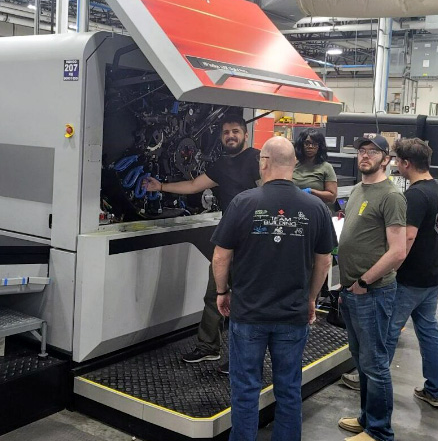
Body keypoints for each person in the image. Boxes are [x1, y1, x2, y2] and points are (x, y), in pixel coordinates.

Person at [211, 136, 335, 441]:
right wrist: (311, 299)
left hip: (249, 313)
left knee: (245, 389)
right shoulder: (315, 207)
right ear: (293, 164)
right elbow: (324, 263)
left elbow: (220, 256)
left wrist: (222, 292)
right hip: (292, 314)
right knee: (289, 390)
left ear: (264, 163)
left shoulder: (243, 202)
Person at [144, 114, 260, 365]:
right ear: (221, 137)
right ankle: (209, 346)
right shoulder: (221, 165)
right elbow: (194, 185)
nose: (231, 136)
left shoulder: (256, 159)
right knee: (214, 294)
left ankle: (244, 358)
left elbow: (267, 194)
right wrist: (160, 187)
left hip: (253, 241)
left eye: (236, 131)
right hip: (228, 240)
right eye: (226, 132)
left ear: (246, 134)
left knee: (247, 301)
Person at [337, 135, 406, 441]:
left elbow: (397, 251)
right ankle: (367, 418)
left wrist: (365, 281)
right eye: (361, 151)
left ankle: (379, 431)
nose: (364, 156)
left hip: (372, 292)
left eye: (372, 152)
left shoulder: (391, 196)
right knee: (361, 358)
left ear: (386, 159)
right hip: (352, 290)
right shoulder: (357, 190)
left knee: (375, 363)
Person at [386, 138, 438, 408]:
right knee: (428, 331)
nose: (396, 165)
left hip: (411, 279)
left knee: (387, 330)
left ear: (406, 163)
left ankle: (371, 379)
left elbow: (407, 239)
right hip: (434, 275)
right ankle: (435, 390)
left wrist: (390, 271)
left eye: (397, 160)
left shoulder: (415, 195)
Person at [293, 129, 337, 205]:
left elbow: (332, 197)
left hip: (316, 210)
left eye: (314, 144)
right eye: (307, 143)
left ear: (319, 146)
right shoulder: (293, 165)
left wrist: (312, 191)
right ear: (301, 144)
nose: (310, 147)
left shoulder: (326, 167)